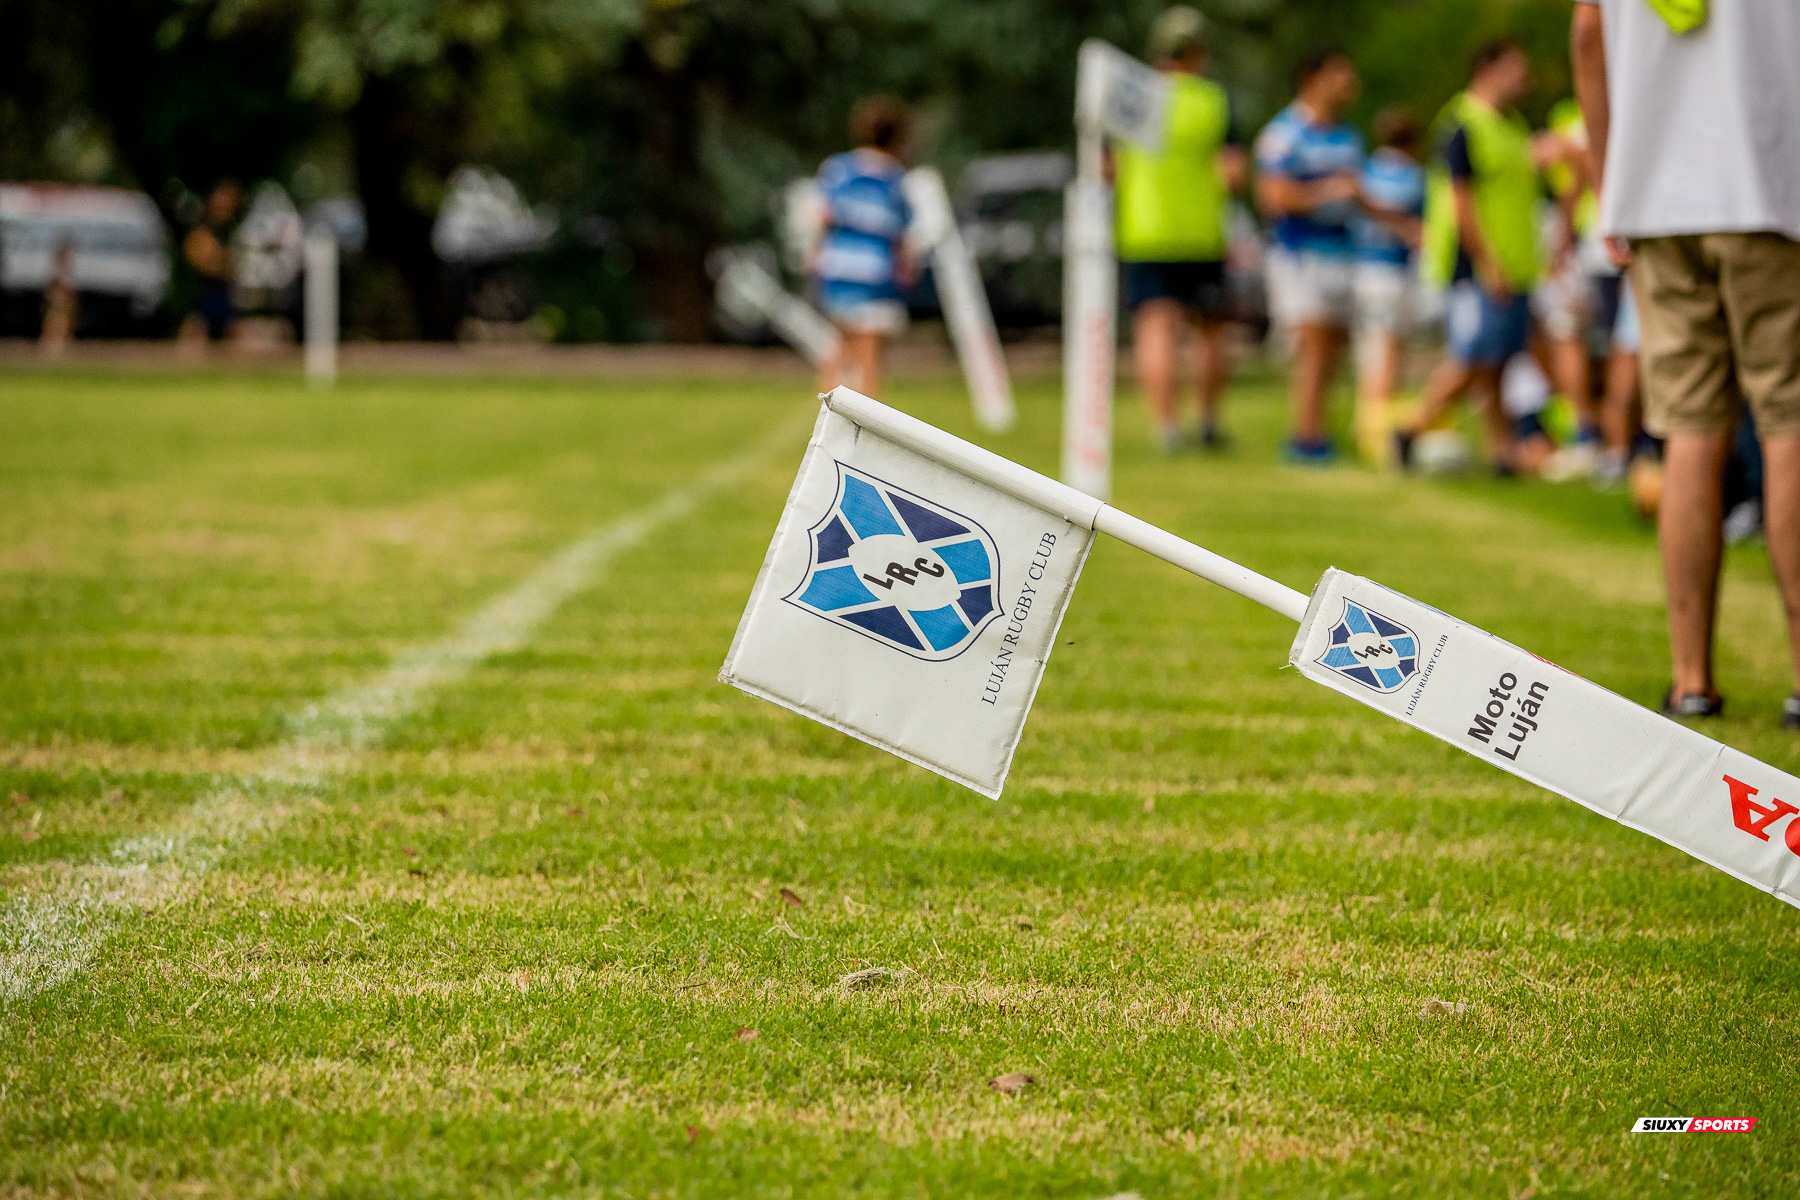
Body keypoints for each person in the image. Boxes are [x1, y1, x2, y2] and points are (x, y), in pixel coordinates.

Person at [1572, 0, 1800, 724]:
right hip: (1771, 187)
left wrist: (1613, 184)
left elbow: (1587, 36)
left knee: (1687, 429)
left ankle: (1692, 679)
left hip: (1657, 196)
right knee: (1789, 421)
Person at [1397, 40, 1545, 474]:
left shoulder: (1512, 124)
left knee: (1498, 365)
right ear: (1489, 68)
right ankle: (1411, 429)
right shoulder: (1463, 123)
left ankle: (1502, 451)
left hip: (1515, 265)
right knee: (1472, 357)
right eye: (1517, 66)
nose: (1525, 77)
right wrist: (1488, 262)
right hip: (1478, 266)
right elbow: (1460, 202)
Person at [1112, 7, 1248, 455]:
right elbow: (1233, 173)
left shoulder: (1135, 98)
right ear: (1198, 52)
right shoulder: (1212, 100)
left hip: (1145, 231)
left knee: (1156, 329)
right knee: (1210, 330)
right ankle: (1208, 420)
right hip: (1201, 232)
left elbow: (1110, 168)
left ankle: (1166, 427)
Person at [1255, 48, 1364, 463]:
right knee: (1313, 345)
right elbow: (1272, 195)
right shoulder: (1284, 133)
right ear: (1313, 79)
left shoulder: (1347, 135)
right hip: (1300, 253)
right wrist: (1329, 192)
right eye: (1339, 72)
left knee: (1334, 347)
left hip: (1341, 250)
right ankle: (1306, 437)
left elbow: (1360, 192)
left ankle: (1318, 430)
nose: (1348, 80)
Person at [810, 96, 915, 403]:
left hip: (838, 268)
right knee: (869, 354)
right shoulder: (895, 180)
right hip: (872, 273)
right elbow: (903, 235)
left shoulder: (839, 169)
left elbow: (822, 217)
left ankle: (826, 412)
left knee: (839, 347)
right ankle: (865, 424)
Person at [1351, 108, 1426, 465]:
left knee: (1371, 351)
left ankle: (1365, 424)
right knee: (1389, 351)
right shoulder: (1413, 177)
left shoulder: (1365, 171)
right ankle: (1377, 431)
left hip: (1362, 269)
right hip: (1393, 273)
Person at [182, 180, 242, 345]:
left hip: (226, 297)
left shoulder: (233, 231)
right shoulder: (202, 230)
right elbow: (201, 260)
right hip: (205, 295)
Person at [39, 239, 77, 359]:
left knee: (62, 321)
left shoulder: (63, 269)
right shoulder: (56, 269)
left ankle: (57, 345)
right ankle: (51, 346)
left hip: (62, 297)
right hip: (59, 296)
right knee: (56, 321)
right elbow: (54, 285)